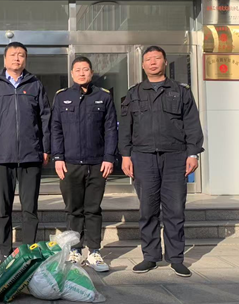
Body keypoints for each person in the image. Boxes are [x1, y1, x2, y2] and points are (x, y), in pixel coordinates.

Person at [119, 46, 203, 277]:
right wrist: (125, 155)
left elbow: (192, 124)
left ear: (165, 62)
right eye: (148, 59)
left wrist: (193, 154)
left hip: (175, 157)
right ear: (143, 65)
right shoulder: (133, 93)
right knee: (148, 209)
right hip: (143, 157)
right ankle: (150, 257)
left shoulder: (181, 91)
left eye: (157, 58)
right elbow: (125, 128)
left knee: (175, 209)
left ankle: (176, 258)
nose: (153, 62)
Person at [0, 42, 51, 258]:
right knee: (3, 208)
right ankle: (5, 251)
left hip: (31, 154)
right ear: (5, 59)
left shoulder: (35, 85)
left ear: (25, 59)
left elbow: (45, 118)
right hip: (2, 155)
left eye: (21, 55)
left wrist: (46, 148)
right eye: (13, 55)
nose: (17, 58)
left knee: (30, 208)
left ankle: (28, 252)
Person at [51, 56, 117, 272]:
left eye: (85, 69)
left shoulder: (103, 96)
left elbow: (110, 129)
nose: (81, 73)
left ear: (91, 72)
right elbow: (56, 129)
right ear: (72, 74)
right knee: (73, 209)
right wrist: (58, 157)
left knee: (93, 209)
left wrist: (109, 157)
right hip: (70, 164)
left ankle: (95, 252)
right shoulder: (62, 97)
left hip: (97, 163)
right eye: (77, 69)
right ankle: (75, 250)